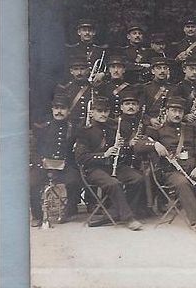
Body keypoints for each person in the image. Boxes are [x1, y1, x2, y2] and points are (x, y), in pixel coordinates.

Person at [137, 97, 196, 234]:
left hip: (193, 168)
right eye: (174, 111)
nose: (177, 115)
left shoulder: (190, 129)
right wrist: (155, 144)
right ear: (167, 112)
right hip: (170, 172)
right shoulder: (157, 131)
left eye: (180, 112)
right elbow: (138, 146)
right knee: (182, 183)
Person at [73, 96, 144, 230]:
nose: (103, 114)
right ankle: (129, 218)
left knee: (138, 178)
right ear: (92, 112)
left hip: (114, 166)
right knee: (114, 183)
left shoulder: (113, 128)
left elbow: (122, 151)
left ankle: (116, 212)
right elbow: (81, 158)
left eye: (106, 111)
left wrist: (122, 147)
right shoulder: (84, 131)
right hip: (93, 170)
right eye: (99, 111)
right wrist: (104, 155)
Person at [30, 94, 82, 226]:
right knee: (32, 182)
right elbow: (34, 148)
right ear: (52, 110)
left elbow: (77, 150)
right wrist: (40, 161)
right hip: (44, 165)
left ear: (68, 111)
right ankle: (37, 215)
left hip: (65, 167)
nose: (59, 111)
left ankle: (68, 211)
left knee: (75, 180)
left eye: (63, 108)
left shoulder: (73, 129)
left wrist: (70, 163)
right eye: (56, 108)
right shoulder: (43, 127)